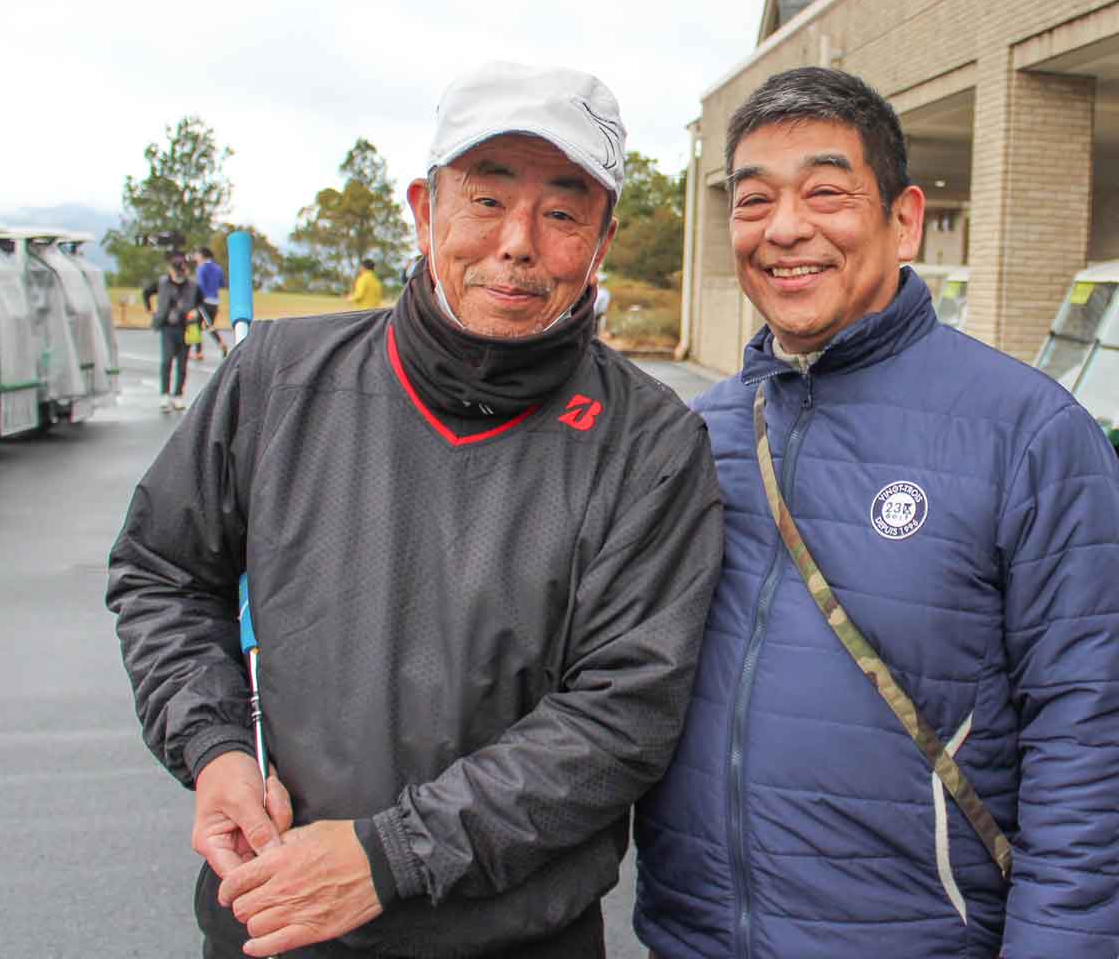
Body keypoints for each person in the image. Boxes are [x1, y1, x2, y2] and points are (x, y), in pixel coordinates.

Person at [107, 60, 723, 959]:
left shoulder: (650, 443)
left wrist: (385, 858)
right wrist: (215, 748)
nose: (518, 242)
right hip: (273, 919)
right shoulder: (279, 378)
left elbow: (622, 714)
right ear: (424, 209)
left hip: (517, 937)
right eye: (486, 198)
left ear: (601, 240)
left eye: (561, 212)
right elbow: (165, 572)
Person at [634, 66, 1119, 959]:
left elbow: (1090, 739)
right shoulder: (697, 436)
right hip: (694, 937)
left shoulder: (1029, 436)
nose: (785, 229)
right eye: (754, 201)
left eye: (825, 193)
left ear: (904, 219)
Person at [143, 250, 203, 412]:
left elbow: (200, 304)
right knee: (166, 361)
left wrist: (196, 314)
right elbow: (146, 292)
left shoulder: (192, 287)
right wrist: (151, 310)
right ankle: (165, 394)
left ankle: (178, 395)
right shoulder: (162, 283)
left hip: (186, 328)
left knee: (182, 364)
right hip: (168, 327)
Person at [194, 246, 230, 360]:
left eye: (197, 254)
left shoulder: (201, 268)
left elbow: (200, 286)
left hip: (203, 301)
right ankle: (199, 351)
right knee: (207, 325)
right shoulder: (218, 268)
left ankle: (217, 344)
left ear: (202, 255)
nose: (196, 257)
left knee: (198, 326)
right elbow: (222, 284)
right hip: (214, 301)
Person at [592, 270, 611, 336]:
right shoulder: (605, 293)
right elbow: (603, 308)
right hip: (597, 317)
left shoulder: (603, 292)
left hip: (593, 317)